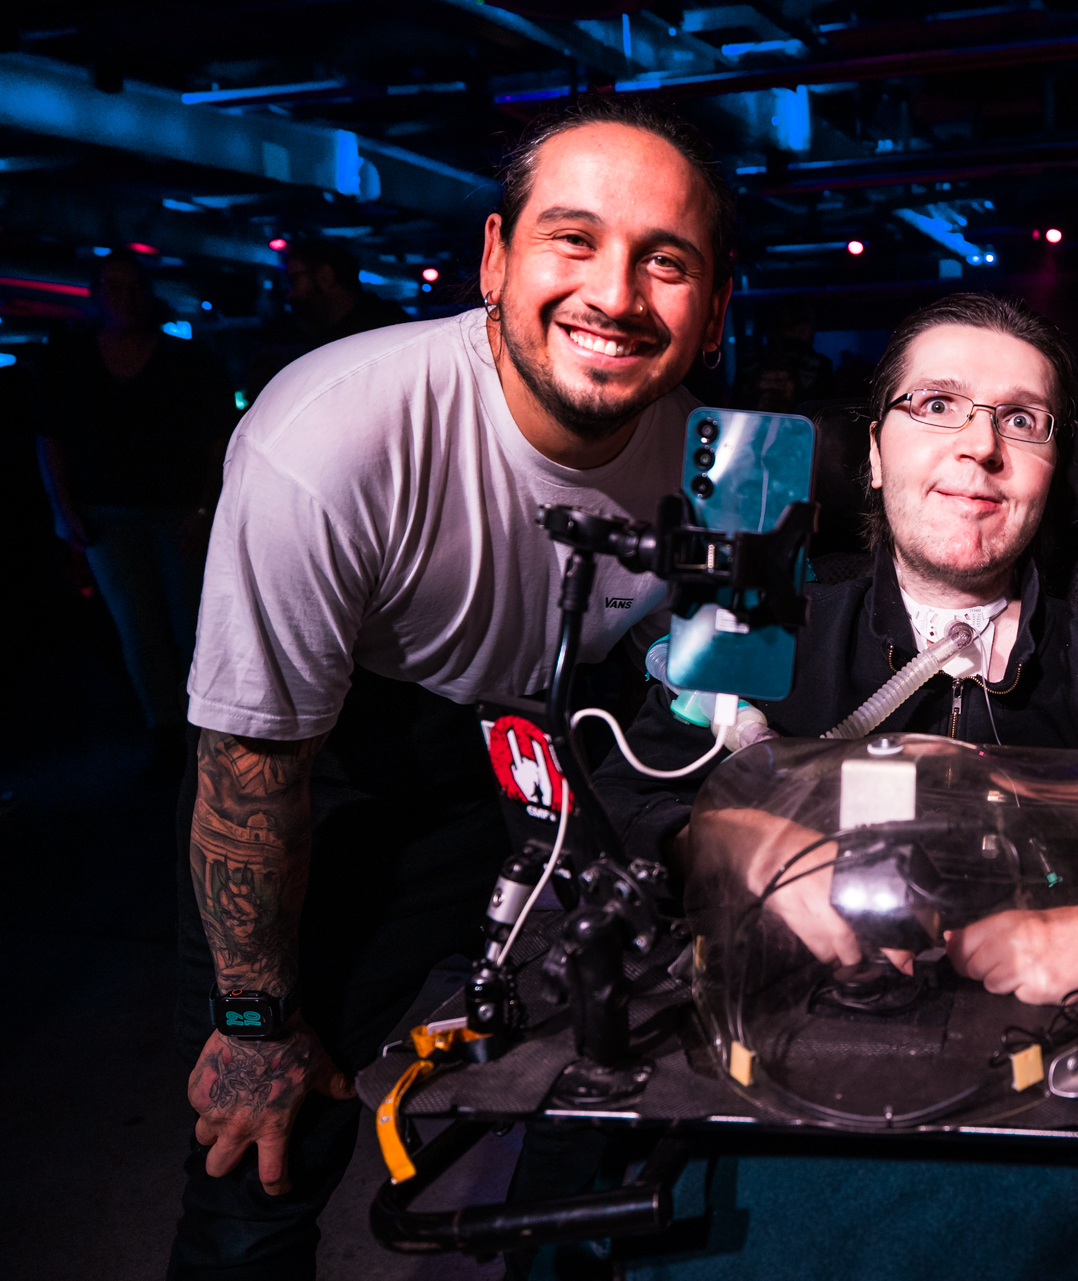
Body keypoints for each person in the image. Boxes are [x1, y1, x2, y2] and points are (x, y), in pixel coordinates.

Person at [170, 97, 734, 1280]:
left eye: (666, 261)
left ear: (715, 307)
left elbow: (719, 697)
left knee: (621, 1082)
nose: (615, 294)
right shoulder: (332, 437)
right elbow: (251, 771)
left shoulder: (718, 463)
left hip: (560, 747)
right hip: (354, 761)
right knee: (268, 1137)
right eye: (573, 239)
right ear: (494, 258)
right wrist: (255, 1022)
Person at [597, 291, 1078, 1011]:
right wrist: (719, 837)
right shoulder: (759, 648)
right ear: (874, 453)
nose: (980, 444)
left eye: (1022, 419)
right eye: (936, 404)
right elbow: (608, 810)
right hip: (789, 1071)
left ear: (1052, 470)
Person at [32, 249, 232, 766]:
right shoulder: (70, 360)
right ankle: (164, 729)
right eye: (112, 287)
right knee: (136, 627)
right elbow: (51, 438)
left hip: (178, 510)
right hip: (107, 513)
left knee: (193, 625)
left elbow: (219, 438)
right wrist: (64, 509)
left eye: (133, 286)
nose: (123, 297)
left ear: (149, 294)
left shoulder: (187, 359)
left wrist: (206, 509)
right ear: (97, 296)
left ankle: (204, 726)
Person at [282, 238, 408, 344]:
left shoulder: (385, 326)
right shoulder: (385, 322)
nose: (289, 294)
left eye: (293, 280)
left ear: (325, 277)